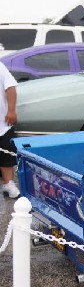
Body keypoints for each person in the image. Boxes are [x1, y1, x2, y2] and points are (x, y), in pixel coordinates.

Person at [0, 62, 19, 198]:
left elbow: (10, 87)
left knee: (7, 155)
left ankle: (8, 184)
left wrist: (11, 110)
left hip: (2, 123)